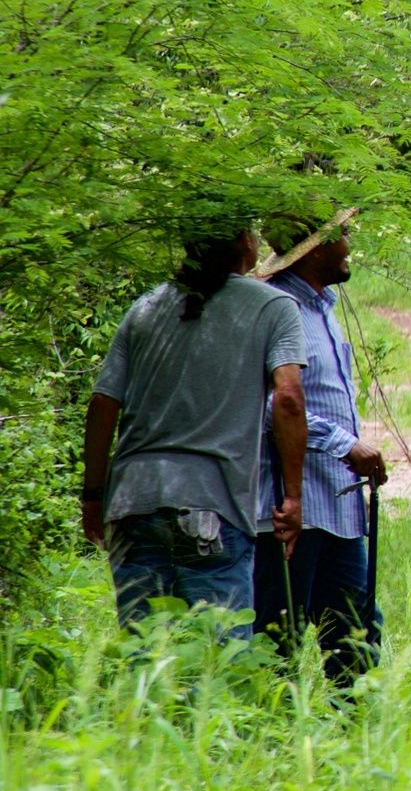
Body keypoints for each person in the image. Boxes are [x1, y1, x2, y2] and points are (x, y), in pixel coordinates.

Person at [82, 224, 308, 634]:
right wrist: (293, 497)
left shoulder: (146, 307)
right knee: (218, 663)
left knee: (143, 657)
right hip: (212, 507)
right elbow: (289, 398)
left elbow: (102, 404)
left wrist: (93, 496)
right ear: (245, 243)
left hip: (134, 501)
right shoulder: (274, 306)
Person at [253, 210, 390, 683]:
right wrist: (344, 445)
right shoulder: (276, 308)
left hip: (339, 506)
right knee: (278, 642)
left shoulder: (322, 307)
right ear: (315, 248)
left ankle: (351, 744)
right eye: (343, 236)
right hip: (296, 508)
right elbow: (273, 402)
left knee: (355, 640)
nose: (349, 245)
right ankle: (271, 744)